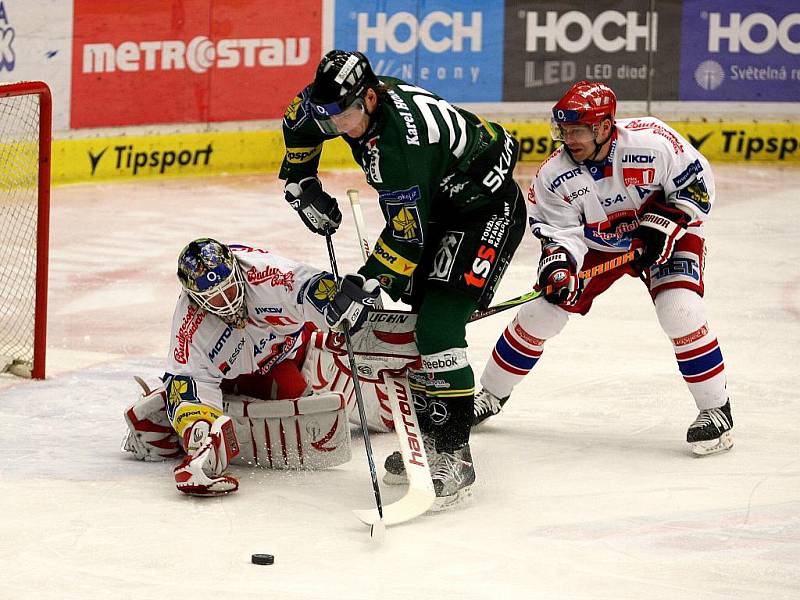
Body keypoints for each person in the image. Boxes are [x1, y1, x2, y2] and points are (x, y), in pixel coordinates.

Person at [279, 50, 526, 509]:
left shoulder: (401, 149)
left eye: (344, 115)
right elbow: (299, 123)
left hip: (483, 211)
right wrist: (301, 181)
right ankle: (431, 428)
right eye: (327, 113)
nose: (335, 124)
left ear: (370, 98)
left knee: (437, 326)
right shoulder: (332, 104)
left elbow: (405, 244)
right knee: (415, 325)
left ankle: (453, 451)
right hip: (436, 203)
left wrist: (364, 283)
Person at [474, 80, 733, 457]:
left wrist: (661, 226)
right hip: (601, 245)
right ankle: (490, 395)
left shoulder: (653, 142)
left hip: (669, 234)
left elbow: (697, 184)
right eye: (563, 130)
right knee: (541, 313)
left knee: (680, 309)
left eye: (577, 130)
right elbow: (560, 232)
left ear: (605, 127)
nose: (568, 139)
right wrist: (559, 265)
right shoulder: (553, 175)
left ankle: (716, 410)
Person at [124, 237, 381, 496]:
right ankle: (179, 410)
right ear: (195, 299)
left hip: (297, 346)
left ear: (237, 270)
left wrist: (334, 300)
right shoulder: (190, 327)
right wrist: (200, 433)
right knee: (290, 390)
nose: (226, 302)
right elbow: (189, 377)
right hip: (250, 374)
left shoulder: (262, 274)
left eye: (230, 289)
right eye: (214, 298)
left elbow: (302, 283)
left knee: (339, 358)